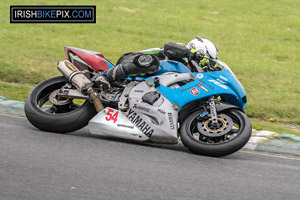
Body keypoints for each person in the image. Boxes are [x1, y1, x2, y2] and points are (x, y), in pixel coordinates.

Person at [94, 36, 219, 88]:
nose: (205, 65)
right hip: (133, 60)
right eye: (205, 59)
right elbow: (169, 46)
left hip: (140, 82)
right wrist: (188, 53)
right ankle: (106, 76)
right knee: (153, 62)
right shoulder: (181, 53)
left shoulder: (187, 73)